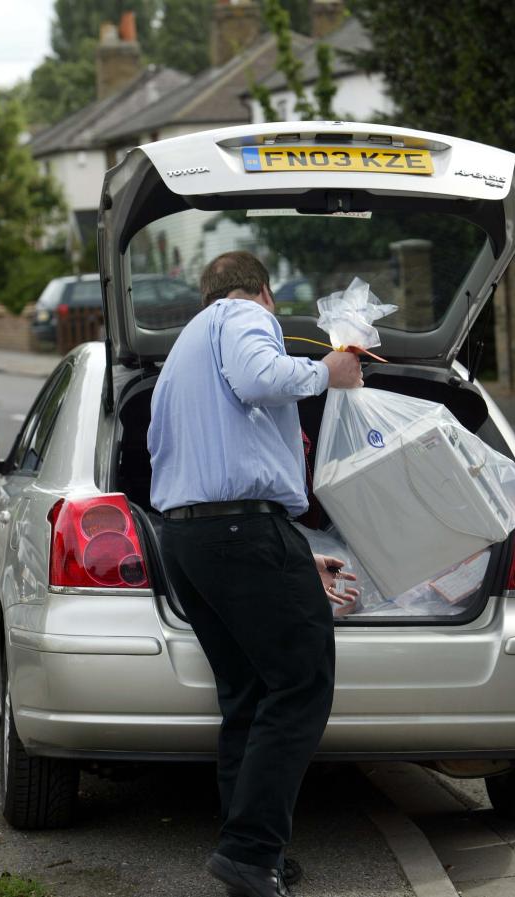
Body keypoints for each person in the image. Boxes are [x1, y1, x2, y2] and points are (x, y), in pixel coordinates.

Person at [147, 251, 362, 897]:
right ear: (263, 293)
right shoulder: (241, 315)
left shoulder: (179, 355)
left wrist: (290, 549)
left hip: (190, 537)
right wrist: (329, 370)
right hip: (241, 533)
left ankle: (244, 844)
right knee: (300, 684)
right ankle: (250, 851)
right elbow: (258, 377)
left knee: (245, 691)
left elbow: (195, 454)